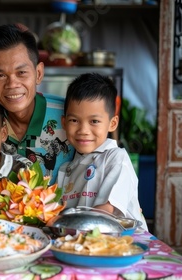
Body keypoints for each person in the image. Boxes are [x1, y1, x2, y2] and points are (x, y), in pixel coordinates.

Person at [0, 24, 75, 184]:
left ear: (38, 73)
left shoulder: (70, 116)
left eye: (21, 73)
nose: (12, 84)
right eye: (0, 75)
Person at [57, 73, 148, 230]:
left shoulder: (116, 159)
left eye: (94, 121)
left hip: (124, 244)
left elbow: (105, 211)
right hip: (86, 244)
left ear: (112, 123)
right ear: (64, 123)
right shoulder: (66, 169)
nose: (83, 130)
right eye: (74, 120)